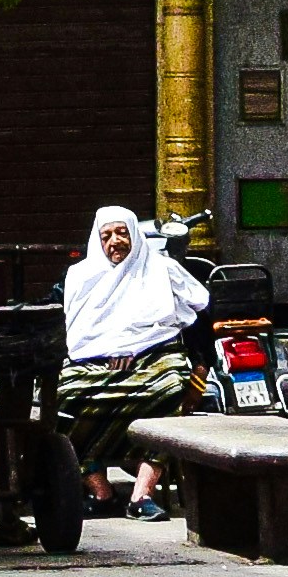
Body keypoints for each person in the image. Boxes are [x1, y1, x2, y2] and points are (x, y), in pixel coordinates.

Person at [49, 206, 212, 510]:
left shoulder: (162, 268)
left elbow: (199, 313)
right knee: (65, 400)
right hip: (92, 362)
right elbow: (65, 325)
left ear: (135, 236)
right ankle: (100, 490)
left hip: (154, 356)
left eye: (122, 233)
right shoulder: (79, 276)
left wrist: (201, 365)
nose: (115, 242)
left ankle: (142, 494)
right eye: (107, 235)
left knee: (169, 391)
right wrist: (110, 349)